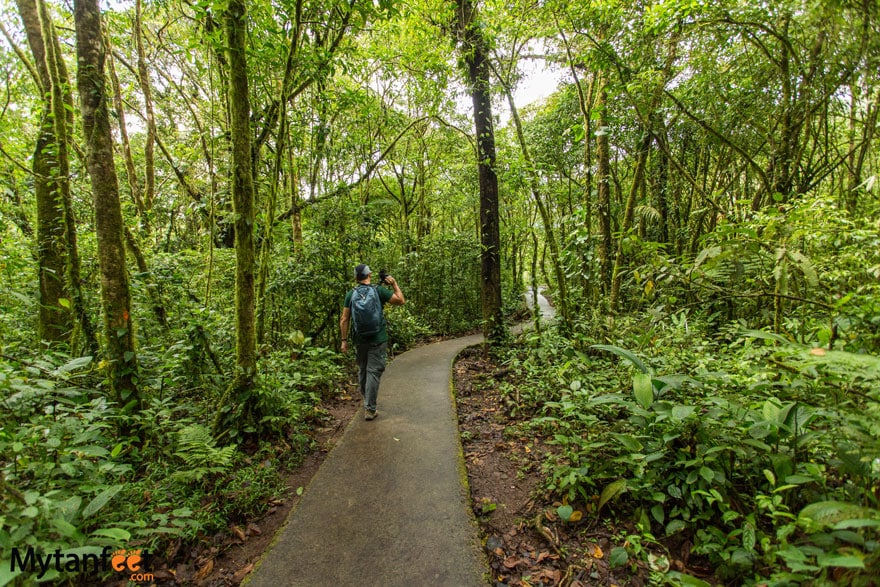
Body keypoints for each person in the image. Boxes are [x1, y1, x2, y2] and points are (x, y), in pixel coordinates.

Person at [340, 264, 405, 420]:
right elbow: (400, 301)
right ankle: (370, 409)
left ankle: (367, 402)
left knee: (363, 370)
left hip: (359, 339)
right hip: (378, 338)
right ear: (369, 275)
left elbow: (344, 319)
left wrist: (344, 341)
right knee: (373, 372)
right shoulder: (378, 291)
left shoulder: (350, 295)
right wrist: (394, 284)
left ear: (356, 278)